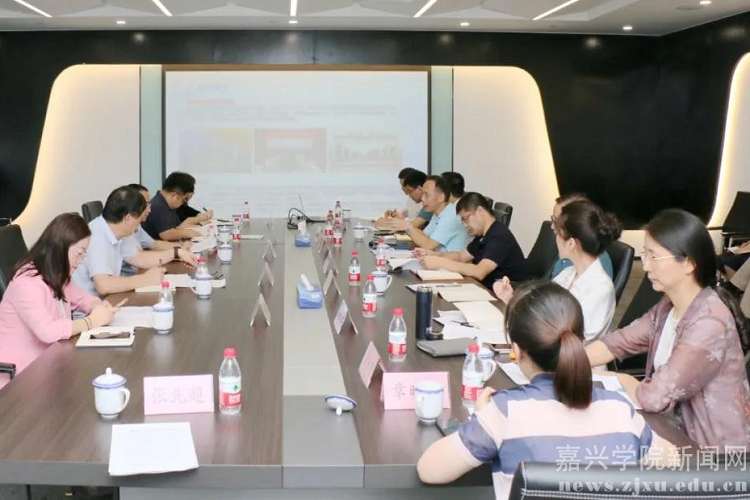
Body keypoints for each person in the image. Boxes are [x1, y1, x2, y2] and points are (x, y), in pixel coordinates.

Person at [417, 282, 674, 500]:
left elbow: (429, 470)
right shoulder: (619, 410)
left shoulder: (504, 412)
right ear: (581, 342)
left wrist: (483, 418)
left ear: (516, 351)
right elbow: (671, 461)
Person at [586, 209, 750, 451]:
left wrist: (622, 379)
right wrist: (566, 362)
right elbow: (619, 342)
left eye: (653, 257)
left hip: (713, 454)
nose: (645, 266)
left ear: (689, 263)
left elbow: (654, 397)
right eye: (645, 255)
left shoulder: (709, 322)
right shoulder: (668, 307)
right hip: (672, 431)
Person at [0, 213, 120, 389]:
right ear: (60, 248)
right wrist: (91, 321)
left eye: (84, 255)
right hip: (21, 377)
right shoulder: (26, 282)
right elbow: (47, 331)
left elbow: (81, 298)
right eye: (79, 254)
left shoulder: (56, 273)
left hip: (51, 363)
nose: (80, 261)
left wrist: (98, 306)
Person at [495, 200, 621, 341]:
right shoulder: (568, 273)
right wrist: (509, 298)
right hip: (549, 348)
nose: (555, 239)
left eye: (558, 234)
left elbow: (578, 341)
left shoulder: (601, 288)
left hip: (573, 354)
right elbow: (541, 309)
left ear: (571, 243)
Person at [73, 186, 198, 296]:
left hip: (109, 301)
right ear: (128, 218)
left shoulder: (119, 231)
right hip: (89, 309)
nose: (139, 225)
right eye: (138, 218)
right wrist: (146, 279)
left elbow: (139, 258)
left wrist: (177, 252)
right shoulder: (96, 236)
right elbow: (104, 285)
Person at [415, 192, 528, 288]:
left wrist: (442, 263)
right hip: (485, 288)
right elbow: (460, 256)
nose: (465, 225)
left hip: (505, 296)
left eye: (466, 219)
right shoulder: (482, 234)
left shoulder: (499, 236)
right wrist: (435, 255)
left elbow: (480, 271)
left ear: (480, 211)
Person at [387, 175, 468, 252]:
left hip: (449, 261)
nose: (422, 199)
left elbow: (429, 245)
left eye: (426, 195)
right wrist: (404, 227)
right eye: (422, 193)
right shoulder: (438, 213)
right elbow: (425, 236)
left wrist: (408, 227)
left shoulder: (451, 215)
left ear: (441, 197)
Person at [550, 193, 614, 279]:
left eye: (558, 221)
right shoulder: (570, 253)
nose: (552, 226)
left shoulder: (595, 268)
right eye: (553, 219)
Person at [142, 173, 204, 241]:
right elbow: (166, 234)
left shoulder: (168, 205)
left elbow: (177, 228)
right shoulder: (159, 206)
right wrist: (188, 233)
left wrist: (200, 229)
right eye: (185, 200)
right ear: (174, 196)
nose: (183, 204)